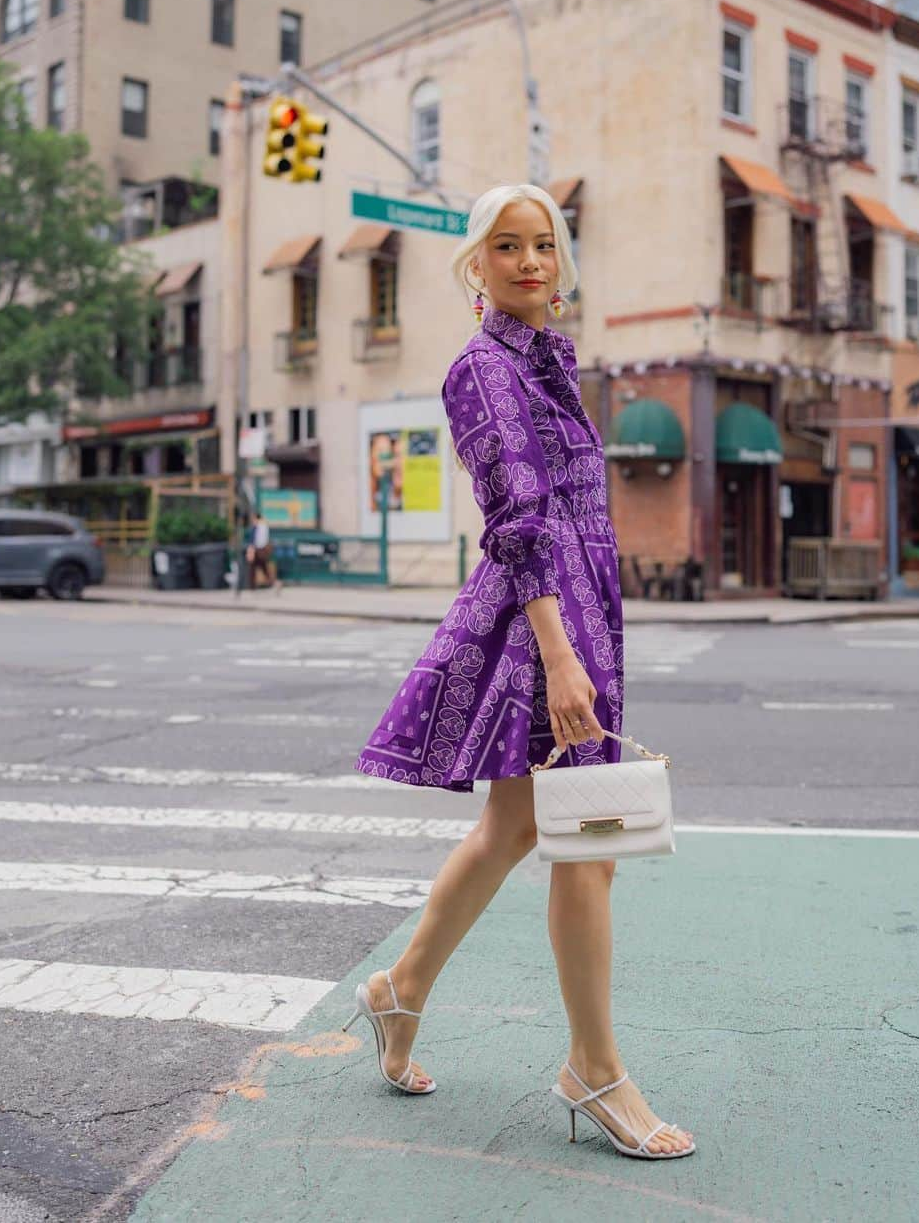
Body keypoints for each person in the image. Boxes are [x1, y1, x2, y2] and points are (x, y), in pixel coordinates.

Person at [351, 185, 695, 1159]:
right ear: (478, 264)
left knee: (508, 829)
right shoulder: (483, 368)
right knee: (585, 846)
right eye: (508, 246)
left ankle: (400, 987)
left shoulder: (551, 359)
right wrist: (560, 659)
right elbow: (519, 521)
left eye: (544, 244)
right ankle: (595, 1068)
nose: (531, 260)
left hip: (577, 615)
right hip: (539, 625)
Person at [246, 512, 275, 588]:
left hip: (259, 550)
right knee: (259, 567)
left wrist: (253, 549)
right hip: (260, 550)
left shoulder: (259, 526)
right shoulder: (263, 526)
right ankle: (271, 583)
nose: (252, 520)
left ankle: (253, 585)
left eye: (253, 518)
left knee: (258, 566)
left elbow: (258, 540)